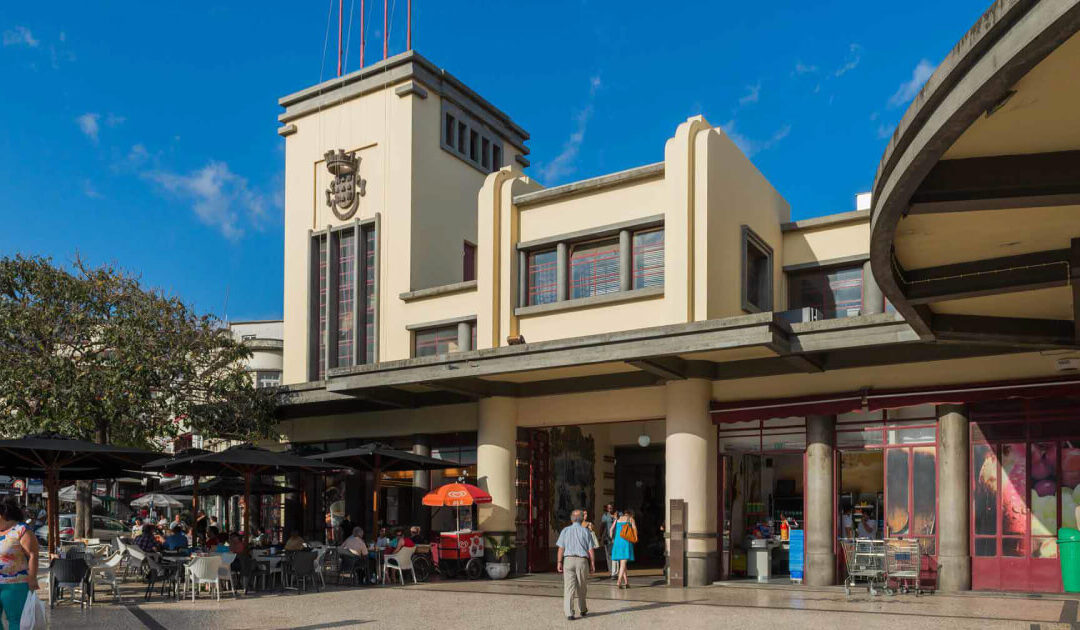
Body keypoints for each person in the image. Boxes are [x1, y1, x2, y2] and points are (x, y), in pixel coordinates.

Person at [0, 498, 39, 630]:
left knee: (16, 620)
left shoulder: (21, 530)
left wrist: (32, 578)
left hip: (15, 583)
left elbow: (33, 555)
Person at [556, 509, 595, 621]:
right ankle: (582, 609)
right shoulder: (586, 531)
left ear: (571, 519)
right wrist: (592, 563)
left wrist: (559, 562)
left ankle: (569, 613)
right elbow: (590, 549)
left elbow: (561, 548)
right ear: (582, 519)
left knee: (569, 588)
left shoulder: (565, 530)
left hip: (568, 560)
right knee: (582, 587)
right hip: (582, 561)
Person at [610, 509, 637, 589]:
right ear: (631, 514)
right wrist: (635, 539)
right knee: (623, 563)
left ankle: (626, 582)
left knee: (623, 562)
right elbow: (635, 529)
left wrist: (612, 539)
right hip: (626, 542)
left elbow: (611, 529)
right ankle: (618, 582)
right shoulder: (631, 519)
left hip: (617, 542)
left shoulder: (617, 519)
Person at [599, 503, 618, 579]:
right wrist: (600, 536)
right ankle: (611, 572)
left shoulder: (618, 514)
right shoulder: (605, 516)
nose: (610, 509)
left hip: (617, 538)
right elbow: (602, 526)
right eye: (608, 508)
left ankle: (616, 572)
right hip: (608, 538)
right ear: (607, 508)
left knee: (616, 555)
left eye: (611, 507)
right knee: (609, 555)